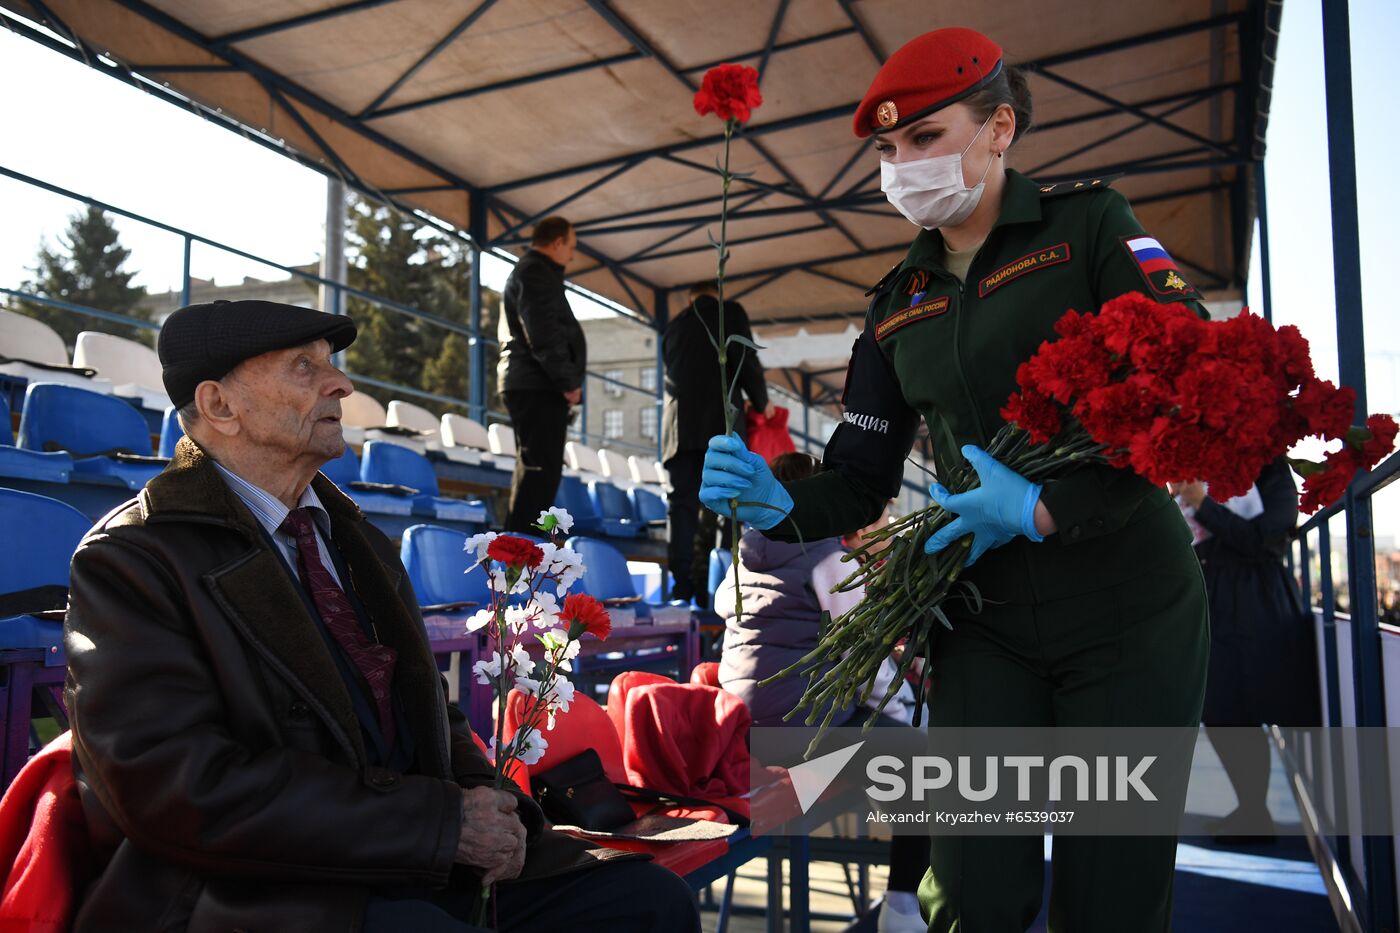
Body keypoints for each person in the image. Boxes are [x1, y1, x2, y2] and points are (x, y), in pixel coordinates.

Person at [698, 27, 1210, 933]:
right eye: (889, 151)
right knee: (971, 889)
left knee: (1111, 892)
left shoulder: (1088, 226)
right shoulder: (898, 303)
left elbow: (1177, 374)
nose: (902, 167)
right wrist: (779, 500)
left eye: (925, 139)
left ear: (1000, 127)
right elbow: (856, 478)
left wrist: (1048, 504)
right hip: (985, 621)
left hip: (1129, 608)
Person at [63, 298, 698, 932]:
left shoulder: (352, 539)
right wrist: (439, 826)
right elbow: (177, 789)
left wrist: (491, 807)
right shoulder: (132, 559)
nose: (341, 384)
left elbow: (426, 707)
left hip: (402, 856)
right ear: (220, 405)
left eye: (331, 364)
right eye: (304, 368)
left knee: (648, 903)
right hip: (258, 886)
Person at [715, 453, 929, 933]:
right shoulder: (828, 557)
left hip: (742, 732)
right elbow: (866, 658)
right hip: (802, 732)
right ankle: (903, 907)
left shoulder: (741, 554)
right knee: (920, 759)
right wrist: (907, 716)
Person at [1172, 459, 1321, 844]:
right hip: (1213, 600)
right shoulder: (1194, 472)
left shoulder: (1271, 471)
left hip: (1258, 602)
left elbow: (1266, 539)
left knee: (1256, 703)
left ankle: (1256, 810)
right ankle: (1252, 808)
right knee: (1222, 711)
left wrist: (1202, 504)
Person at [661, 279, 772, 606]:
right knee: (728, 505)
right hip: (719, 424)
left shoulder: (675, 325)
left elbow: (672, 377)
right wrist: (761, 400)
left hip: (679, 429)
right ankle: (723, 584)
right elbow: (745, 358)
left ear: (690, 297)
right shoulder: (729, 313)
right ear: (717, 295)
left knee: (680, 507)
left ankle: (680, 588)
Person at [498, 216, 586, 532]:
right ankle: (521, 556)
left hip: (531, 382)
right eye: (571, 247)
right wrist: (568, 382)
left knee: (535, 471)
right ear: (558, 242)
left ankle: (520, 553)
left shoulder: (533, 272)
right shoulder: (535, 273)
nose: (572, 256)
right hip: (538, 385)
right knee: (539, 474)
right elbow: (543, 332)